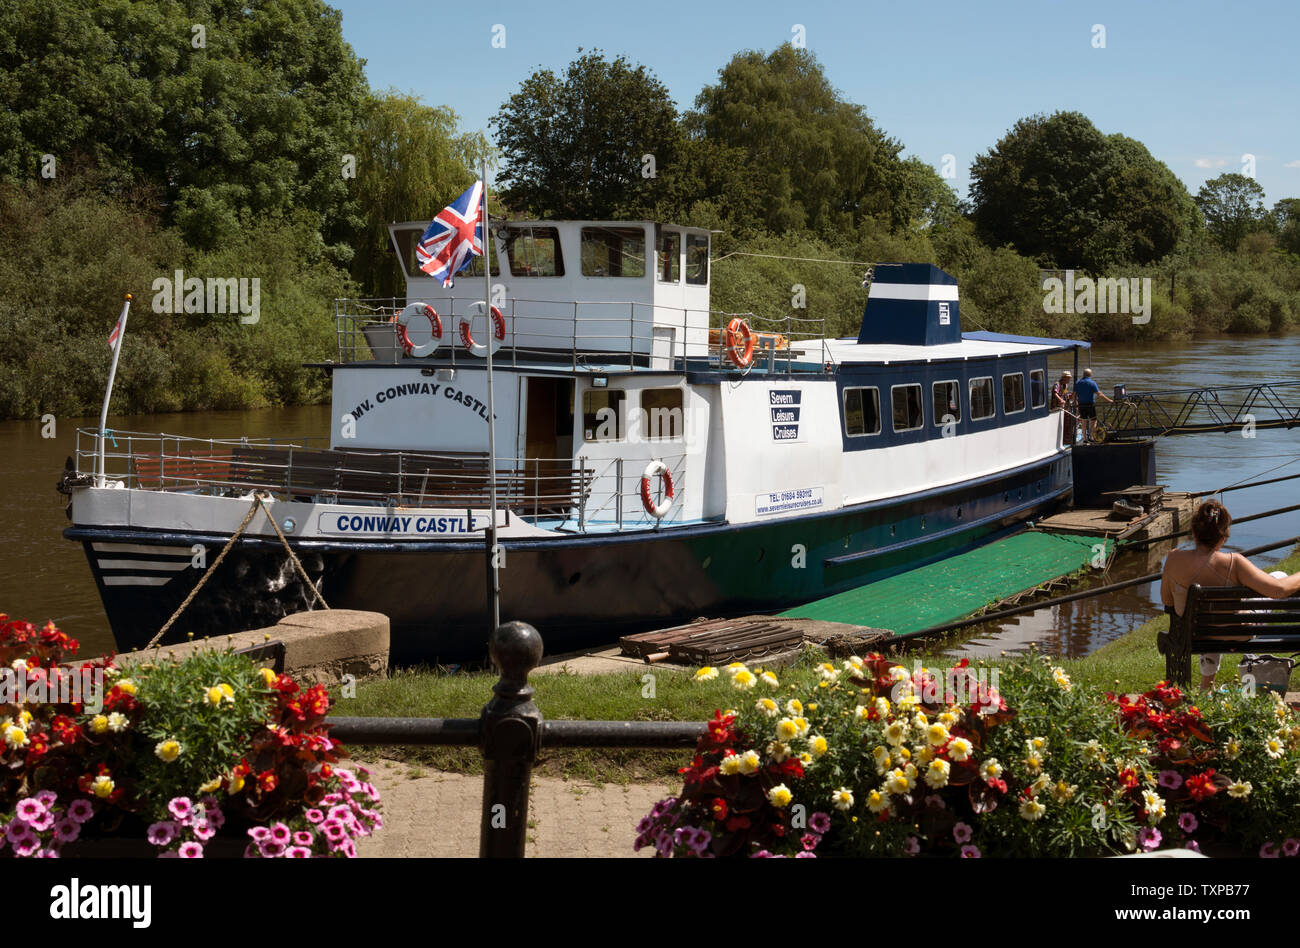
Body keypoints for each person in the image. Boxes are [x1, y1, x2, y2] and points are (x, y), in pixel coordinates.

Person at [1160, 500, 1300, 690]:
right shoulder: (1234, 562)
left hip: (1195, 633)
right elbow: (1278, 590)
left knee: (1204, 614)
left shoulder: (1173, 558)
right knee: (1279, 576)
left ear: (1194, 533)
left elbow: (1167, 600)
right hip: (1238, 633)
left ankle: (1206, 685)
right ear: (1223, 536)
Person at [1073, 368, 1112, 443]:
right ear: (1090, 374)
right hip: (1090, 404)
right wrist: (1109, 400)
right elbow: (1099, 394)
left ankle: (1085, 439)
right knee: (1094, 420)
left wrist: (1076, 403)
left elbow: (1074, 395)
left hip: (1081, 405)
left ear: (1083, 374)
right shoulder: (1092, 383)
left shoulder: (1078, 383)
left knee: (1084, 421)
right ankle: (1091, 436)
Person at [1051, 371, 1076, 446]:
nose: (1069, 379)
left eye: (1069, 378)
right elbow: (1055, 393)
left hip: (1064, 407)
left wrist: (1072, 395)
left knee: (1067, 421)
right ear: (1064, 377)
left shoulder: (1065, 385)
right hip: (1057, 407)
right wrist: (1060, 400)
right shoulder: (1057, 384)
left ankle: (1066, 439)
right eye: (1068, 378)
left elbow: (1065, 394)